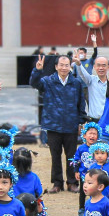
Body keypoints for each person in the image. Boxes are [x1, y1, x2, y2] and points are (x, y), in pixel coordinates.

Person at [30, 54, 85, 193]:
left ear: (70, 67)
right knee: (55, 156)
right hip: (53, 125)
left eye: (67, 65)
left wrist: (80, 122)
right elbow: (34, 84)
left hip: (71, 125)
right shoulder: (48, 81)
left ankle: (72, 182)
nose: (64, 68)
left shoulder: (76, 83)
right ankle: (57, 183)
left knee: (71, 156)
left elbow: (81, 103)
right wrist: (37, 70)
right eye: (61, 65)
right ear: (56, 66)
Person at [75, 48, 109, 122]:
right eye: (98, 65)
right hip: (93, 120)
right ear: (94, 67)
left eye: (103, 65)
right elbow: (83, 74)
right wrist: (78, 64)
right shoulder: (91, 80)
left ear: (108, 67)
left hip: (108, 120)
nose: (101, 68)